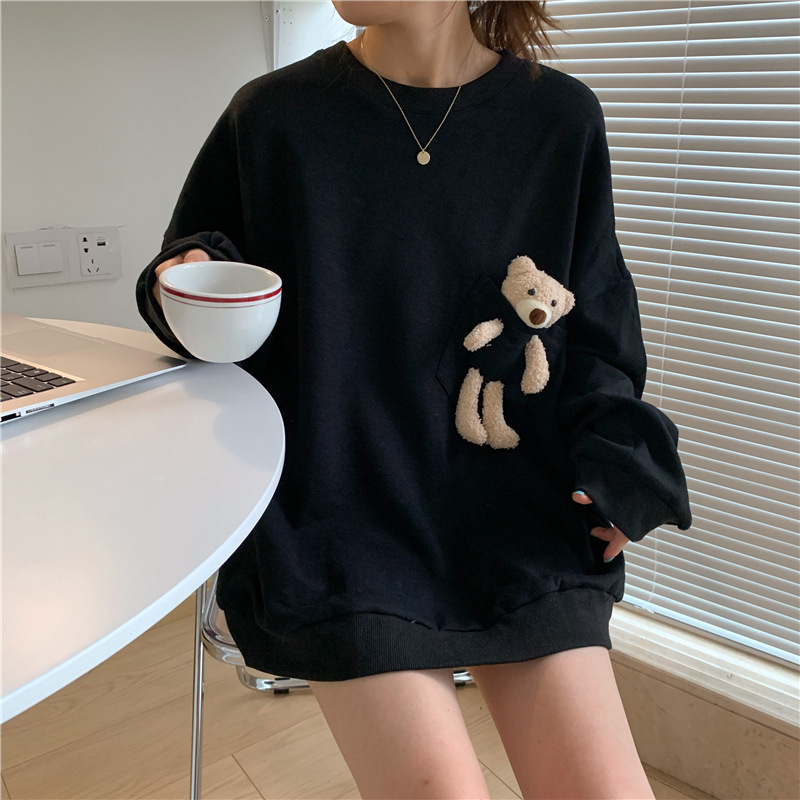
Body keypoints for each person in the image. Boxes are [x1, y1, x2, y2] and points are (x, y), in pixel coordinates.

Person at [137, 1, 692, 797]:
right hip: (341, 520)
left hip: (518, 515)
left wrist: (617, 467)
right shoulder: (273, 118)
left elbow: (597, 325)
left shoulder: (560, 119)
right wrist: (185, 277)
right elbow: (194, 283)